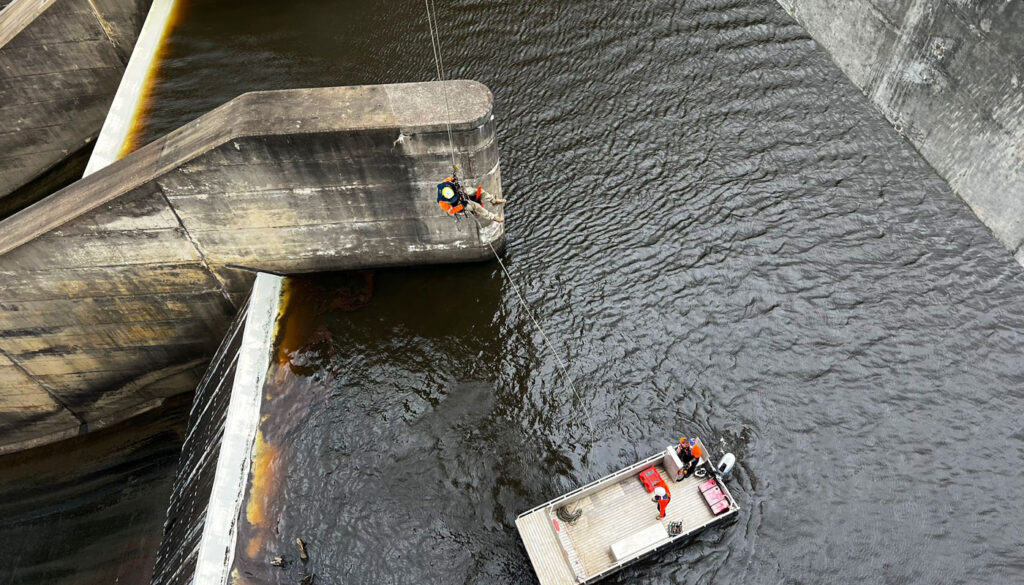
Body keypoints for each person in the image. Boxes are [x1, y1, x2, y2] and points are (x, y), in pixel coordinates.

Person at [436, 170, 505, 223]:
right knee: (475, 206)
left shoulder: (445, 184)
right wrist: (462, 205)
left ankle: (493, 200)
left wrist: (453, 178)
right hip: (458, 205)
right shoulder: (442, 202)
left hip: (458, 192)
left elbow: (449, 179)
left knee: (477, 191)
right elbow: (451, 211)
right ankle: (492, 217)